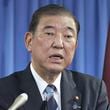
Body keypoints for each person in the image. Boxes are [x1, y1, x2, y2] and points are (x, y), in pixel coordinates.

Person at [0, 4, 109, 110]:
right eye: (49, 33)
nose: (59, 44)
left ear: (75, 46)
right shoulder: (3, 91)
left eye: (68, 36)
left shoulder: (93, 90)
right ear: (29, 41)